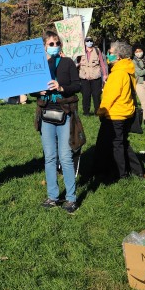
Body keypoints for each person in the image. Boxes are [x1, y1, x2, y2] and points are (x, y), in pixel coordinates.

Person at [35, 31, 81, 213]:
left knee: (65, 157)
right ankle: (53, 196)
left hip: (64, 113)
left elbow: (77, 85)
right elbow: (32, 89)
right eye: (51, 44)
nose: (54, 46)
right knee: (50, 157)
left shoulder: (68, 63)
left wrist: (61, 88)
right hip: (46, 114)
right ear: (44, 46)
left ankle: (71, 198)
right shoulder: (40, 65)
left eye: (57, 43)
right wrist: (38, 92)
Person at [95, 41, 145, 180]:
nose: (108, 55)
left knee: (114, 145)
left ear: (118, 57)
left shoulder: (118, 73)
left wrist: (100, 111)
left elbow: (110, 96)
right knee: (122, 143)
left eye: (110, 53)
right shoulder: (128, 70)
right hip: (126, 111)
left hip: (115, 114)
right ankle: (137, 170)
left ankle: (120, 173)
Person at [77, 36, 108, 115]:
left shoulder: (97, 51)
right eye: (87, 41)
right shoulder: (80, 52)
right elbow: (76, 63)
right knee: (86, 95)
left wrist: (104, 74)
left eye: (90, 41)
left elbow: (102, 63)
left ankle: (97, 111)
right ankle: (86, 112)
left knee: (96, 95)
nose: (89, 42)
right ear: (85, 42)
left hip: (96, 77)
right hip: (84, 77)